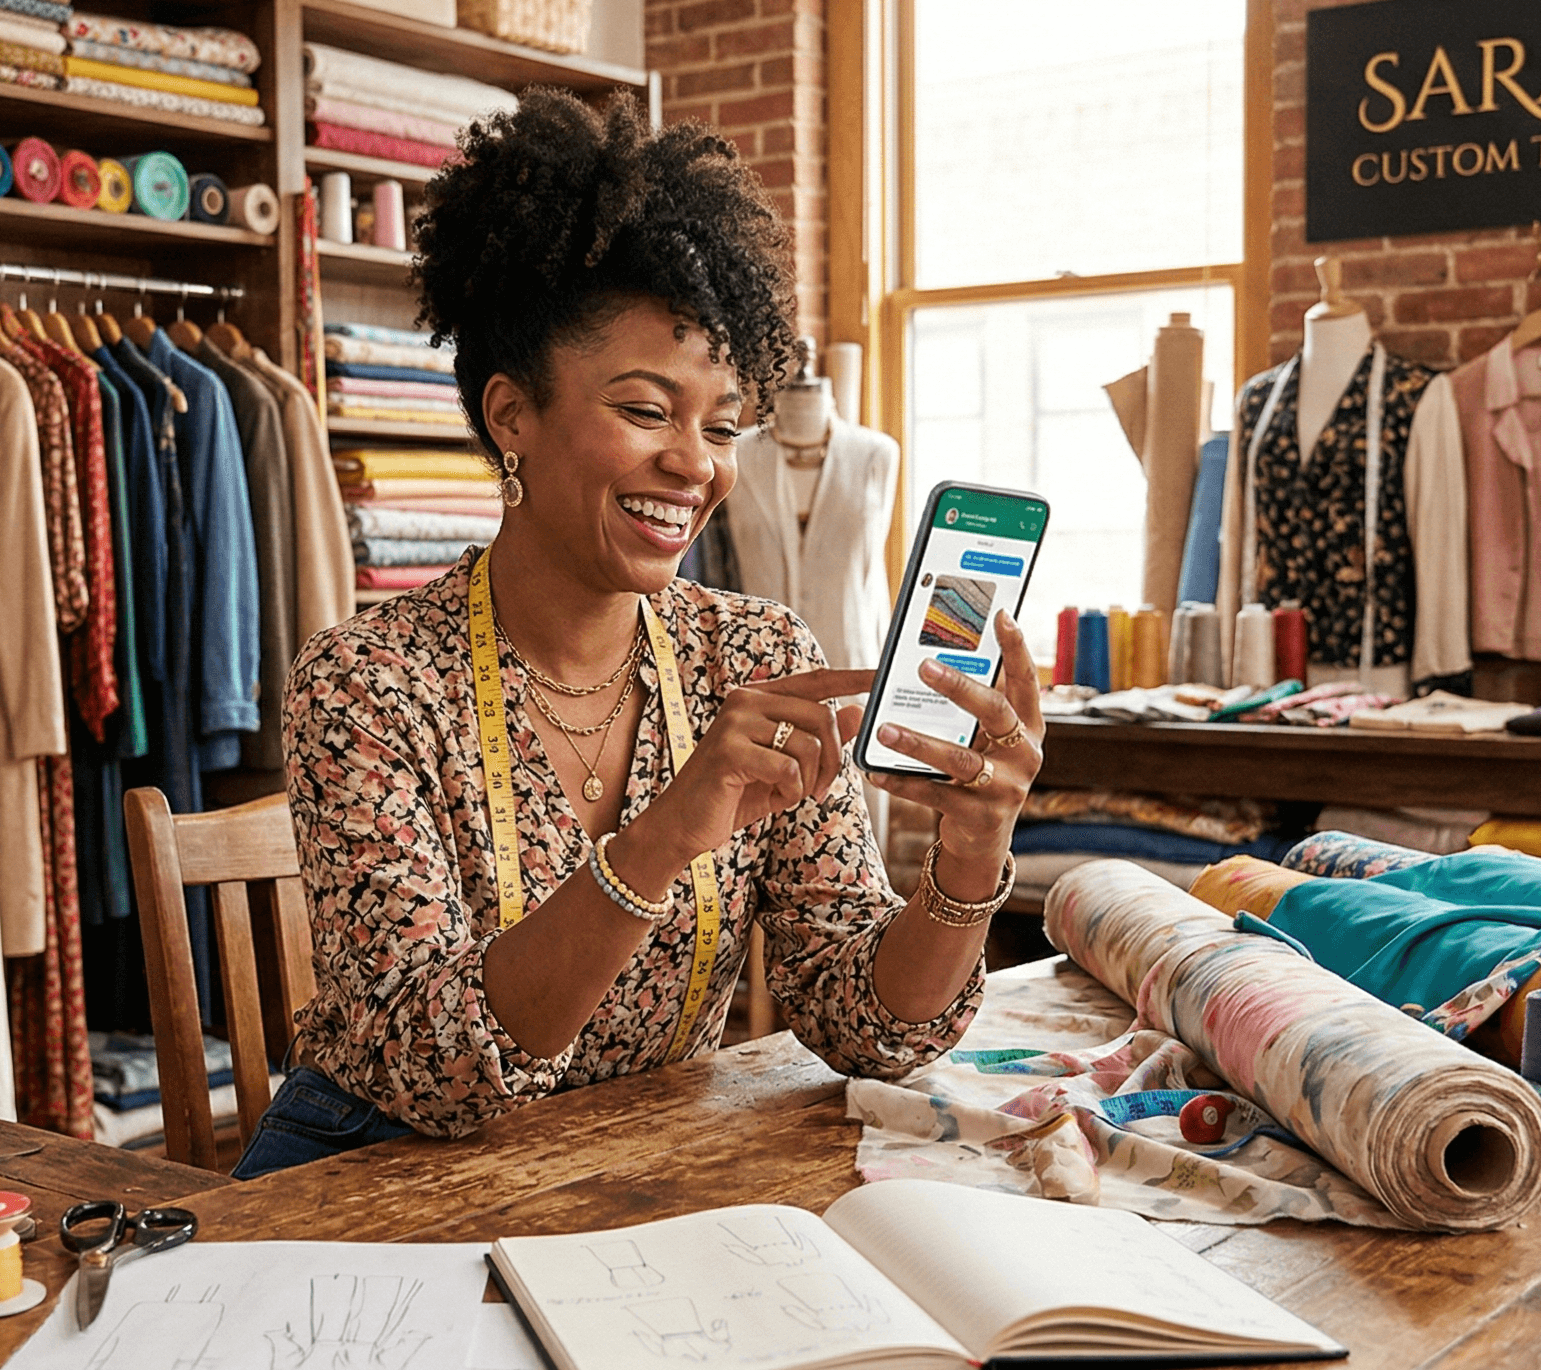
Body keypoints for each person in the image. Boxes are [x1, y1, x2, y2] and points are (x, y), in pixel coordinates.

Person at [234, 92, 1045, 1179]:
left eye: (718, 425)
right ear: (509, 414)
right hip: (376, 1175)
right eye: (645, 410)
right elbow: (425, 1063)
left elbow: (870, 1028)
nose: (696, 464)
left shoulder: (750, 657)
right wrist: (666, 832)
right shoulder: (366, 682)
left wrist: (968, 852)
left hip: (628, 1171)